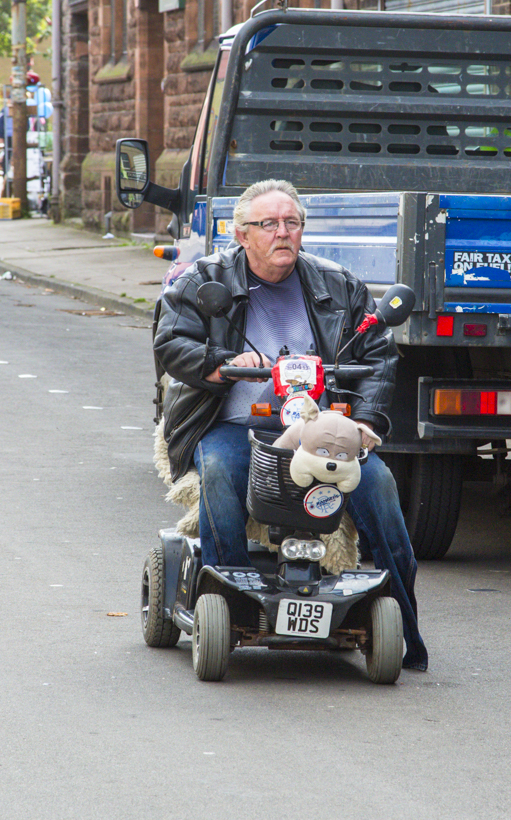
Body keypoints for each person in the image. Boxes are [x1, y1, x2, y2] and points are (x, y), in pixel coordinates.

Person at [153, 179, 429, 671]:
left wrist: (363, 423)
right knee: (219, 470)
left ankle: (405, 626)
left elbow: (379, 355)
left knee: (379, 485)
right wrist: (221, 362)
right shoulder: (203, 280)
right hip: (233, 424)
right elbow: (171, 342)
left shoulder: (338, 283)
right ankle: (229, 603)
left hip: (323, 431)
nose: (283, 232)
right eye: (269, 224)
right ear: (242, 234)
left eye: (292, 222)